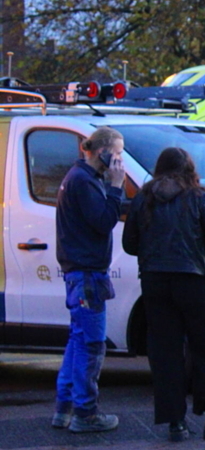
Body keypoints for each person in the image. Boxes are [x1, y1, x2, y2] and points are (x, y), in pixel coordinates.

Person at [122, 147, 205, 443]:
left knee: (165, 352)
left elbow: (129, 244)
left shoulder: (143, 198)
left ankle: (175, 422)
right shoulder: (199, 197)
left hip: (155, 281)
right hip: (196, 279)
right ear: (189, 168)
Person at [52, 126, 126, 433]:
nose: (120, 161)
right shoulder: (84, 181)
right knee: (92, 344)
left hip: (79, 272)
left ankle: (65, 407)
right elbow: (103, 221)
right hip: (87, 274)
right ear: (102, 152)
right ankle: (86, 412)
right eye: (118, 154)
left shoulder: (78, 177)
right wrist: (117, 187)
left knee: (78, 339)